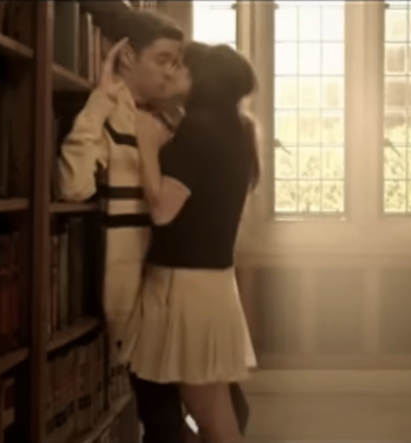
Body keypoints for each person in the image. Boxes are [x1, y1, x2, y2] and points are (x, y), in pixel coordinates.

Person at [56, 11, 249, 443]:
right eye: (163, 59)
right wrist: (101, 100)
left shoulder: (180, 121)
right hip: (139, 301)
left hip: (181, 294)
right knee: (165, 425)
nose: (171, 70)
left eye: (177, 61)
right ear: (128, 57)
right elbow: (72, 186)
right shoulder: (111, 116)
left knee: (231, 410)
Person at [132, 41, 259, 443]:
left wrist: (148, 148)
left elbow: (162, 210)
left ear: (203, 81)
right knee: (217, 416)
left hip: (186, 289)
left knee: (216, 422)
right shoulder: (231, 126)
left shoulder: (200, 129)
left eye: (182, 69)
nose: (172, 73)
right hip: (209, 286)